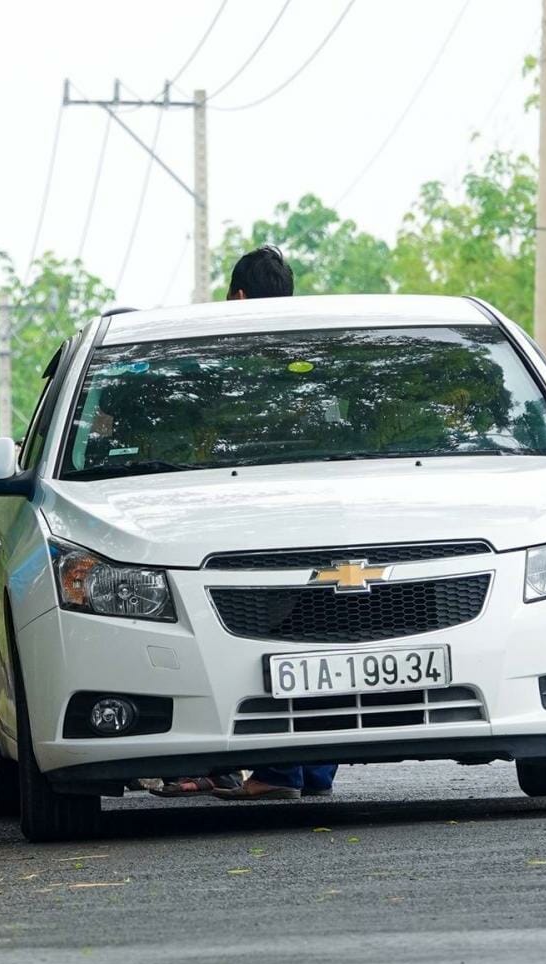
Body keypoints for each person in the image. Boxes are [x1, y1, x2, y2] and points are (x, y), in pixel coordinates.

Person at [214, 245, 338, 801]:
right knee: (324, 645)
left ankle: (278, 773)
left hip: (262, 530)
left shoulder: (236, 362)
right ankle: (313, 772)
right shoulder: (317, 350)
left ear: (238, 296)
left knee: (272, 647)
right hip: (331, 523)